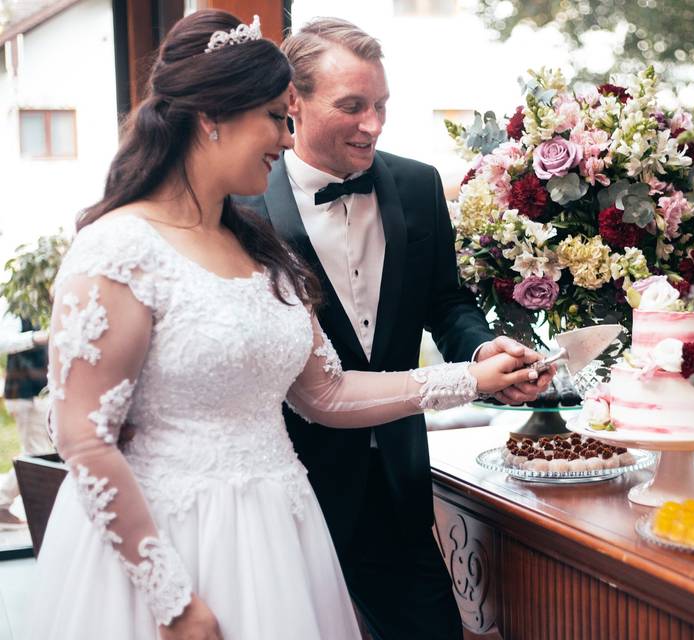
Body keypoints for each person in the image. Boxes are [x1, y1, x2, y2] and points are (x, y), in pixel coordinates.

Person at [30, 11, 544, 639]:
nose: (283, 133)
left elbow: (327, 391)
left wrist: (474, 377)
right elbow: (82, 436)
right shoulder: (117, 247)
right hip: (179, 540)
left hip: (284, 541)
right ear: (212, 115)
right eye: (275, 116)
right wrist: (174, 602)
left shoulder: (258, 248)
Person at [234, 17, 553, 639]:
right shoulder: (240, 206)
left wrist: (484, 348)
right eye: (352, 106)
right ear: (293, 102)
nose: (373, 124)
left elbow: (446, 303)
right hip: (290, 484)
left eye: (381, 105)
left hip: (398, 480)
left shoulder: (417, 184)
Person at [0, 316, 54, 529]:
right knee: (37, 455)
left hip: (39, 393)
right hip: (26, 394)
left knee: (36, 453)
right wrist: (35, 338)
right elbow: (3, 341)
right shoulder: (15, 306)